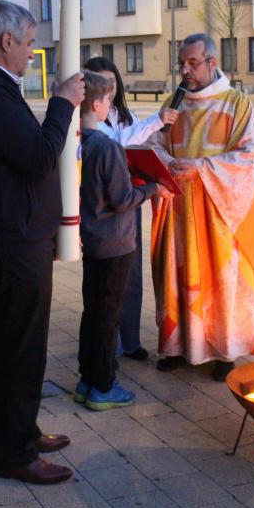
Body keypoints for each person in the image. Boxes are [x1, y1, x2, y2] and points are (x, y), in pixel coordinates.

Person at [0, 0, 85, 485]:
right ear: (6, 42)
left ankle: (20, 432)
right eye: (28, 42)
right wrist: (64, 102)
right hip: (11, 244)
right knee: (20, 349)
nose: (32, 51)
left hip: (18, 238)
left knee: (19, 346)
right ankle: (14, 454)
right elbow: (37, 158)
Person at [149, 33, 254, 382]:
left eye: (192, 63)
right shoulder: (174, 103)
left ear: (212, 63)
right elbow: (153, 142)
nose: (185, 71)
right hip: (179, 210)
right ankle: (179, 347)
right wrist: (165, 161)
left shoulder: (237, 104)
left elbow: (250, 154)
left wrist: (201, 168)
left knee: (220, 282)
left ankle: (224, 351)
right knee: (179, 279)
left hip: (220, 214)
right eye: (182, 64)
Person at [73, 71, 172, 411]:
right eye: (109, 103)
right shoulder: (106, 145)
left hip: (91, 238)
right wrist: (151, 188)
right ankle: (103, 386)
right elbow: (122, 198)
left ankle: (87, 379)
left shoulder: (77, 141)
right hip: (115, 242)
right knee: (108, 316)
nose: (111, 109)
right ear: (97, 104)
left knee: (93, 311)